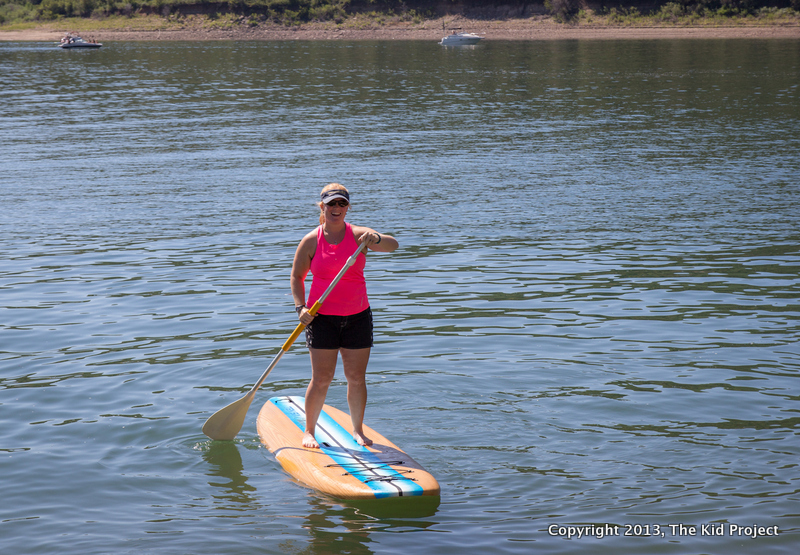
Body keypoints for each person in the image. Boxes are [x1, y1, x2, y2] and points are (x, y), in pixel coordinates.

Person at [291, 183, 399, 449]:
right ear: (322, 207)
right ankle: (309, 431)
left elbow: (392, 245)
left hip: (358, 316)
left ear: (348, 207)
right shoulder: (311, 240)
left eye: (341, 204)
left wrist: (375, 238)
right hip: (321, 317)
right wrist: (300, 308)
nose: (336, 209)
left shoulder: (360, 235)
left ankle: (358, 431)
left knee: (355, 377)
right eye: (331, 204)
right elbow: (296, 277)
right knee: (322, 378)